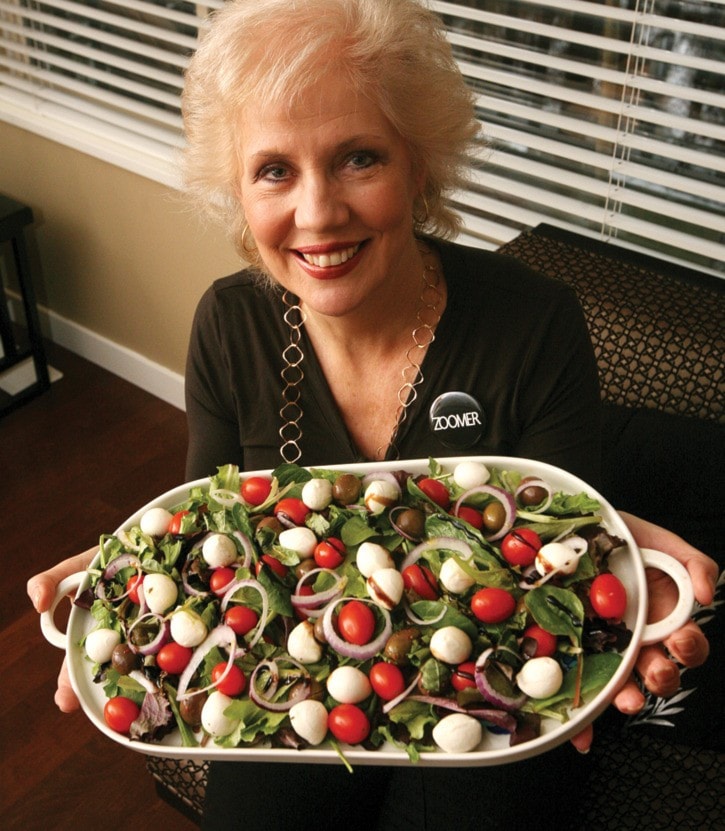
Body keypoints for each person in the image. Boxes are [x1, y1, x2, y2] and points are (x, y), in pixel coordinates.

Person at [28, 0, 717, 828]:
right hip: (291, 669)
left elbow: (560, 551)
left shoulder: (533, 322)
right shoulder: (228, 324)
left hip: (483, 684)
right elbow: (215, 543)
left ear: (419, 165)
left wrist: (614, 573)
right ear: (237, 191)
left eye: (359, 157)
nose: (317, 214)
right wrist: (136, 572)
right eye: (274, 169)